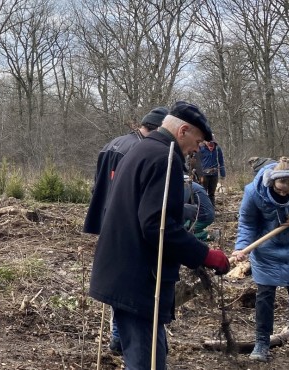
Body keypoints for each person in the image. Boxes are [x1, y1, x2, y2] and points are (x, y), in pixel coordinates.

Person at [89, 101, 230, 369]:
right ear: (183, 130)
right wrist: (205, 254)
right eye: (198, 142)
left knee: (152, 355)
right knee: (146, 361)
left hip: (121, 272)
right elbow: (156, 225)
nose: (197, 149)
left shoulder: (140, 148)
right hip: (139, 279)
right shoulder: (164, 158)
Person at [83, 106, 167, 355]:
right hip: (125, 224)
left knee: (115, 279)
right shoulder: (140, 150)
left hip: (107, 218)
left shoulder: (114, 143)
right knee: (124, 283)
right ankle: (119, 337)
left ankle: (118, 336)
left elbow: (96, 185)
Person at [231, 157, 289, 364]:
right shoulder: (253, 192)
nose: (284, 192)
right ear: (271, 181)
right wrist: (241, 248)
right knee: (265, 297)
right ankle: (262, 342)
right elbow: (247, 222)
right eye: (280, 188)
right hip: (266, 250)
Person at [183, 176, 215, 241]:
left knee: (183, 233)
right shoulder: (193, 185)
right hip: (206, 214)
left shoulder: (187, 186)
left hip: (203, 216)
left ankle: (208, 235)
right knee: (185, 226)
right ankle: (200, 232)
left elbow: (182, 205)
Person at [197, 139, 226, 206]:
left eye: (212, 142)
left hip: (214, 174)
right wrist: (199, 175)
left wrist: (222, 174)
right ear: (206, 142)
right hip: (204, 175)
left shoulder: (217, 149)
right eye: (209, 142)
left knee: (212, 194)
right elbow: (198, 163)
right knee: (203, 192)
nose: (210, 144)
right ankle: (203, 208)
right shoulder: (201, 149)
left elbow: (221, 162)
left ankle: (212, 208)